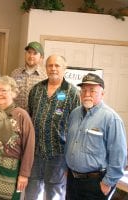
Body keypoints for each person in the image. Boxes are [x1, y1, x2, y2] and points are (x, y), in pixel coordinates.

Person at [25, 55, 80, 200]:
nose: (53, 68)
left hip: (58, 155)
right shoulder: (36, 90)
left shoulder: (72, 93)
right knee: (31, 193)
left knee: (54, 194)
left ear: (65, 68)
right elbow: (30, 115)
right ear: (46, 68)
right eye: (50, 65)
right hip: (35, 153)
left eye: (57, 65)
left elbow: (77, 126)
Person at [65, 73, 127, 200]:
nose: (87, 94)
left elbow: (119, 156)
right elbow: (69, 143)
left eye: (92, 91)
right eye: (84, 90)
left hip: (95, 183)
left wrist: (108, 182)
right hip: (72, 180)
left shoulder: (111, 119)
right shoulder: (75, 114)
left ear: (102, 94)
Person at [11, 41, 47, 111]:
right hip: (16, 115)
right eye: (29, 52)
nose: (31, 56)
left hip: (36, 117)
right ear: (25, 54)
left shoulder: (45, 75)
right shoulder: (15, 73)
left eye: (35, 53)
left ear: (41, 57)